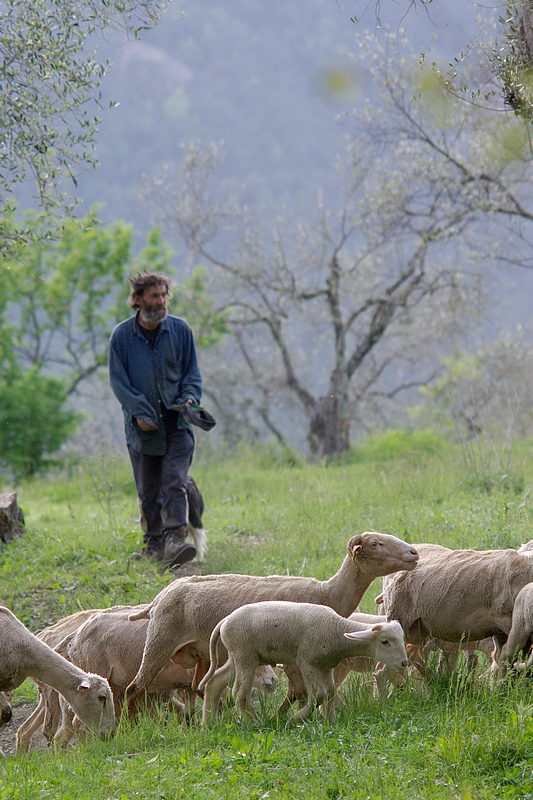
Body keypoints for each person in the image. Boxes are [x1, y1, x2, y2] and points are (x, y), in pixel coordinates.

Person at [108, 272, 202, 569]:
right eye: (154, 296)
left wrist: (189, 398)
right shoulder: (121, 337)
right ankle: (153, 545)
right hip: (142, 430)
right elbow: (119, 383)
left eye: (163, 295)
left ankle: (176, 540)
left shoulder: (180, 331)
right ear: (138, 300)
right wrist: (141, 414)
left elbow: (192, 374)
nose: (160, 302)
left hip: (177, 424)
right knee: (147, 491)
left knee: (174, 481)